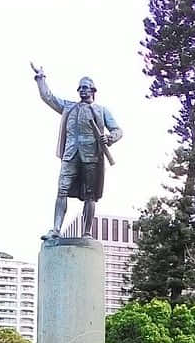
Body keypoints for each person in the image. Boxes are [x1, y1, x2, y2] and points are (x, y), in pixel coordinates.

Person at [32, 63, 123, 238]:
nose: (82, 91)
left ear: (93, 91)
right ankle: (56, 230)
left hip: (91, 157)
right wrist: (41, 78)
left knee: (90, 195)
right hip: (70, 155)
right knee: (62, 190)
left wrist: (109, 138)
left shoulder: (102, 110)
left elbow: (118, 130)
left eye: (86, 88)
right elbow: (48, 97)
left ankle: (87, 232)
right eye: (80, 88)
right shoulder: (69, 107)